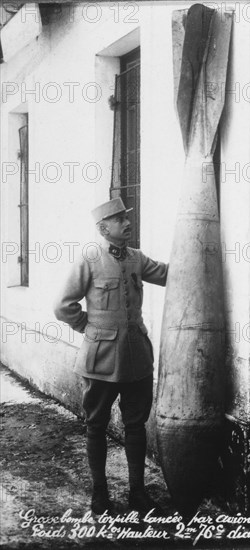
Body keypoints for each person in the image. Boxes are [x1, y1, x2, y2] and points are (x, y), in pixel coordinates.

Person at [54, 197, 168, 515]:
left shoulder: (136, 258)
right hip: (100, 361)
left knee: (136, 425)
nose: (128, 223)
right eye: (121, 220)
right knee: (96, 425)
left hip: (137, 360)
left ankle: (137, 493)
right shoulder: (89, 259)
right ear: (104, 228)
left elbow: (170, 274)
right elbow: (63, 305)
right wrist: (90, 331)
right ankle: (100, 495)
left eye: (127, 218)